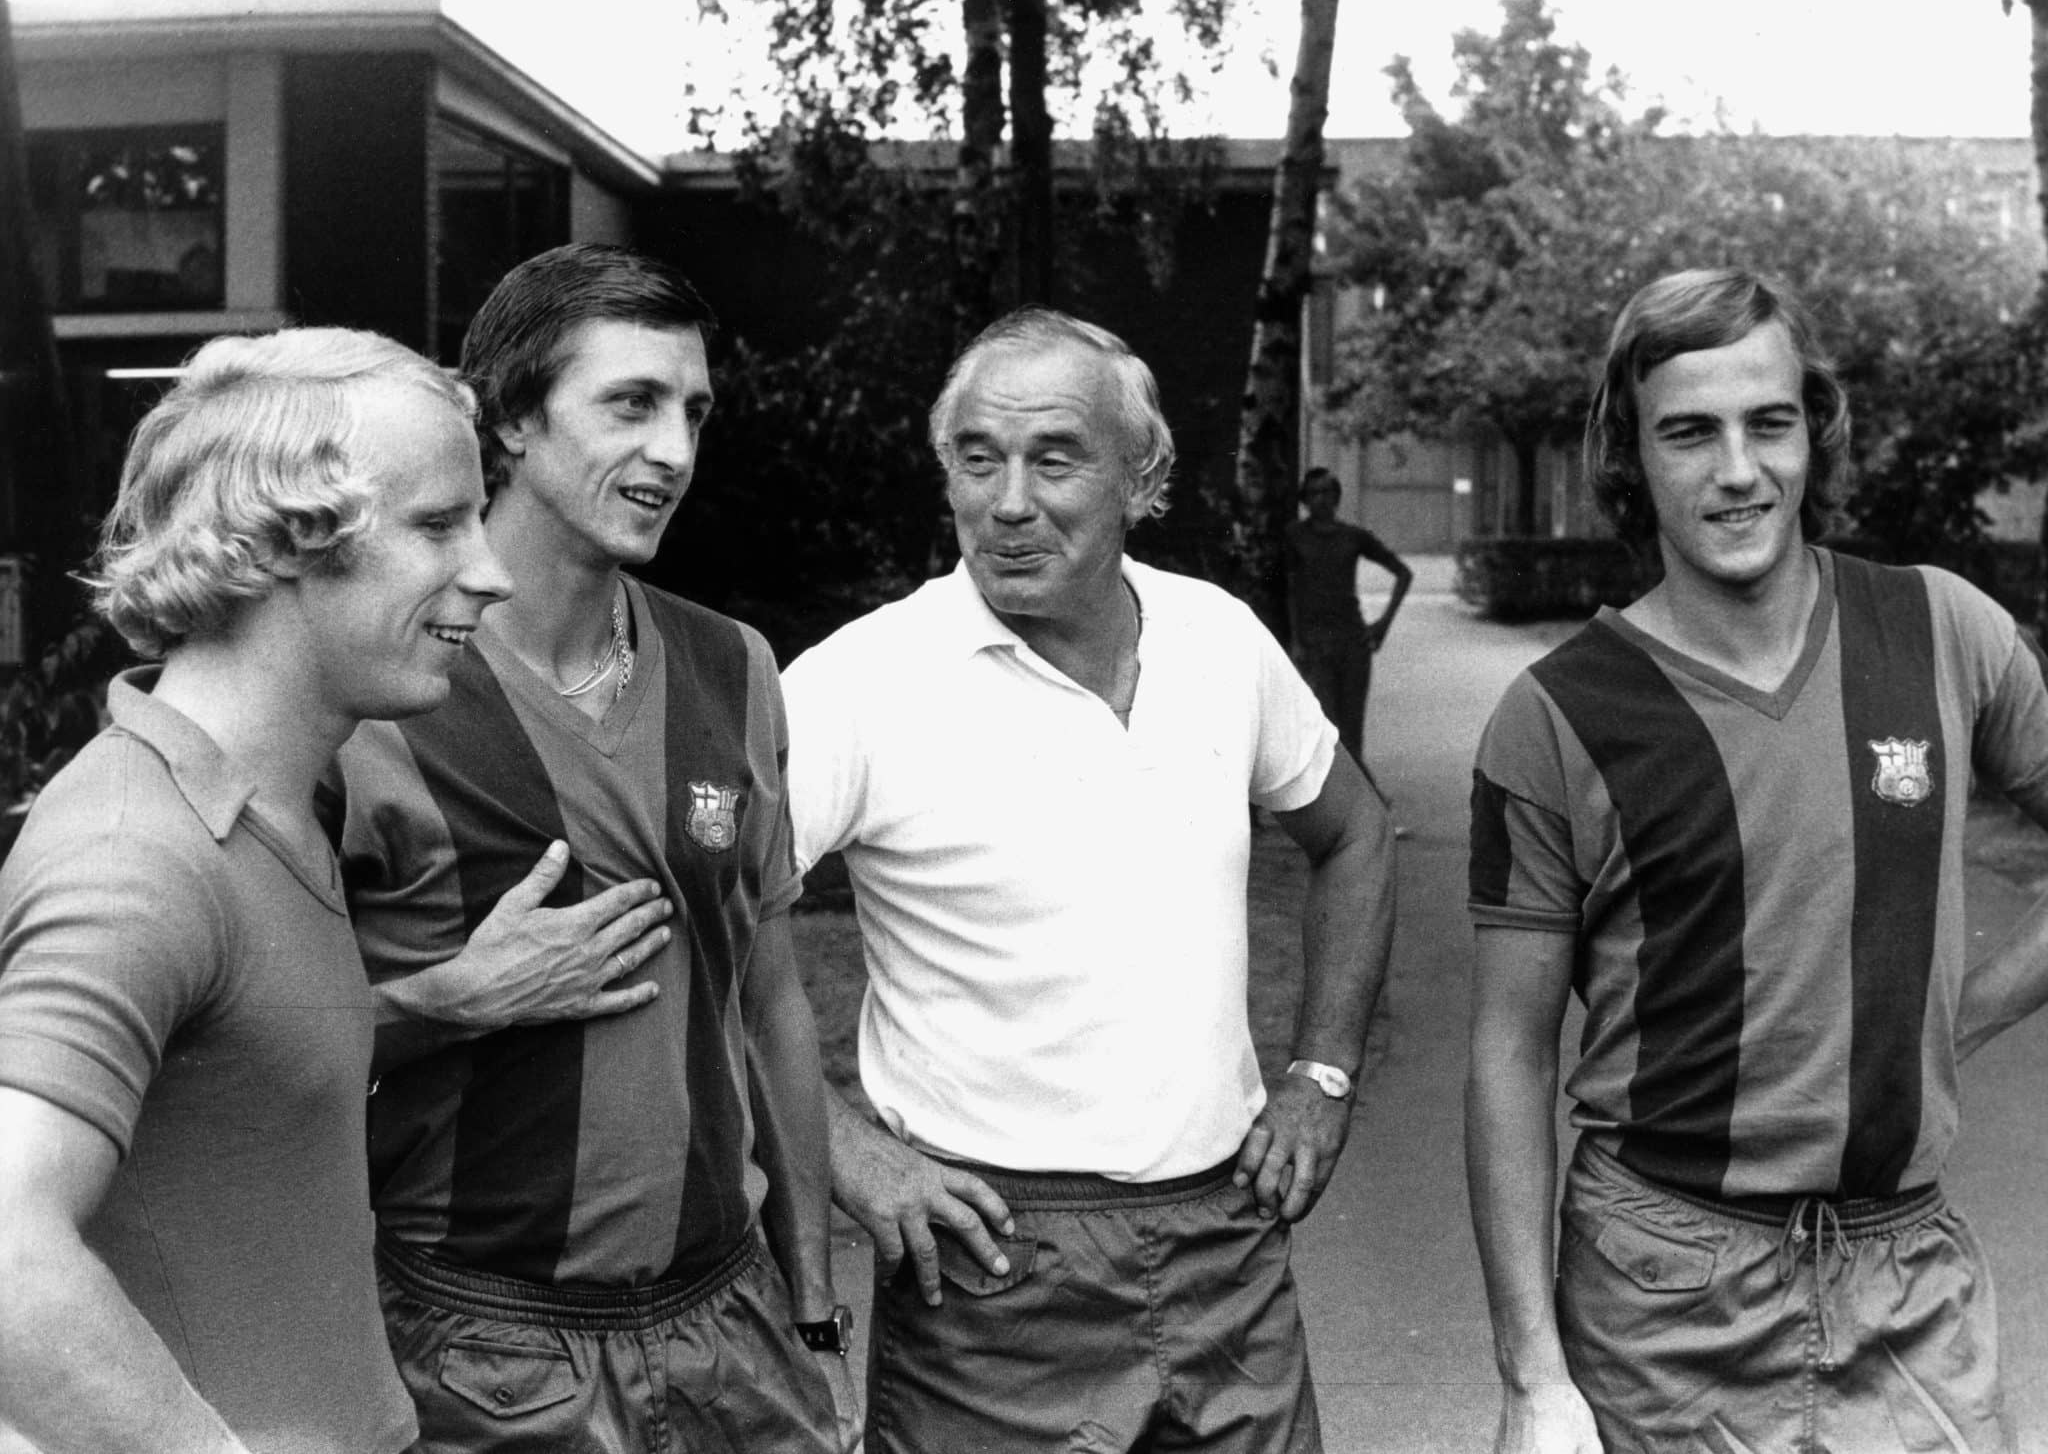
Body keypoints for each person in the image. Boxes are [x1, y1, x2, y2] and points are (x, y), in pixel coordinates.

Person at [782, 307, 1399, 1453]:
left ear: (1140, 477)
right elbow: (707, 930)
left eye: (1054, 458)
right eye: (978, 459)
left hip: (1226, 1243)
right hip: (988, 1270)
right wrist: (843, 1151)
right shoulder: (857, 684)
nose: (1009, 502)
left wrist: (1321, 1073)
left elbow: (1354, 833)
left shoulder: (1217, 639)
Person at [1464, 268, 2048, 1454]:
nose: (1736, 470)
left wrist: (1961, 1011)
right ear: (1629, 454)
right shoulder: (1556, 715)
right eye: (1688, 432)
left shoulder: (1940, 628)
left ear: (1810, 431)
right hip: (1662, 1290)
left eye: (1767, 422)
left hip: (1908, 1279)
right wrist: (1532, 1375)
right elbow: (1509, 1050)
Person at [329, 243, 856, 1453]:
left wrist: (816, 1312)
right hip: (480, 1348)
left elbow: (770, 1000)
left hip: (733, 1327)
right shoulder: (374, 692)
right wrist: (448, 1001)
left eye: (693, 412)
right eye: (630, 403)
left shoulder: (732, 665)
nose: (673, 450)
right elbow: (247, 1054)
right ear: (509, 421)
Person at [0, 328, 512, 1453]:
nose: (493, 570)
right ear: (284, 538)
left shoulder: (269, 803)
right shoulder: (137, 854)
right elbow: (7, 1255)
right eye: (439, 523)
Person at [1284, 466, 1412, 766]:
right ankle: (1335, 792)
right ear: (1305, 499)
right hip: (1316, 645)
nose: (1321, 498)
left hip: (1353, 644)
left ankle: (1359, 791)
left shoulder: (1353, 537)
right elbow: (1291, 590)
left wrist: (1383, 624)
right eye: (1314, 493)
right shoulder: (1294, 536)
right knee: (1326, 729)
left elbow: (1403, 573)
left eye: (1327, 491)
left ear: (1337, 497)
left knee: (1352, 733)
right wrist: (1296, 641)